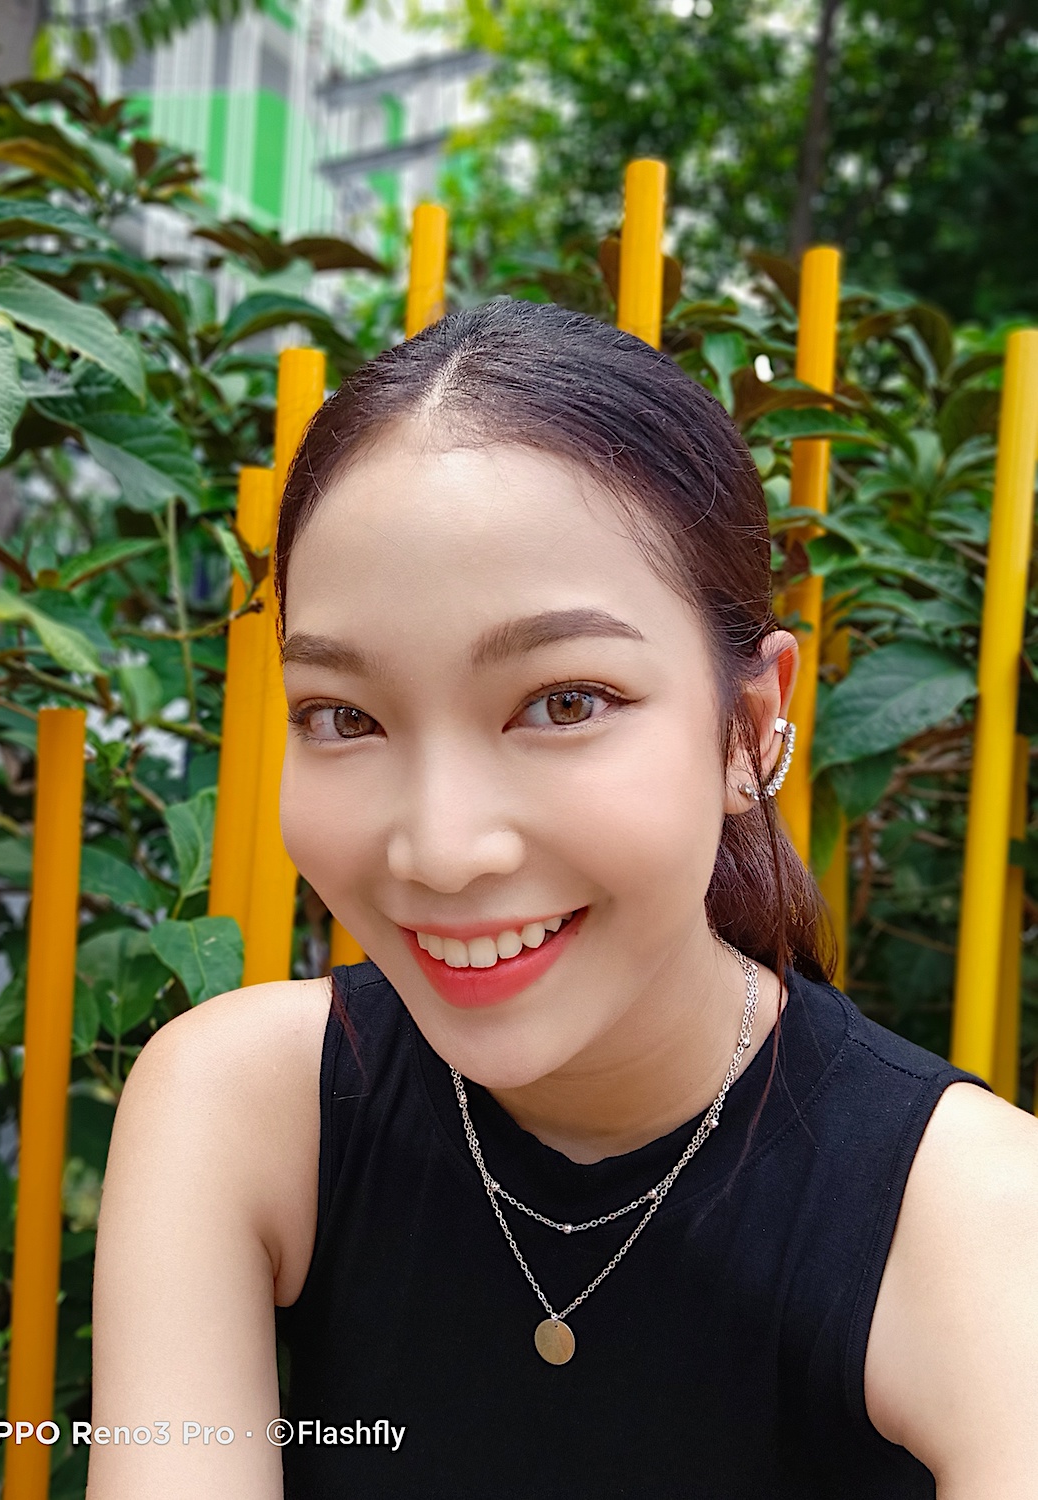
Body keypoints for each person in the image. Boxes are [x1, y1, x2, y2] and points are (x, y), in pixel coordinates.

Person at [88, 301, 1038, 1500]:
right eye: (345, 715)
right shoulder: (242, 1107)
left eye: (564, 702)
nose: (442, 851)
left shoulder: (982, 1228)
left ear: (749, 727)